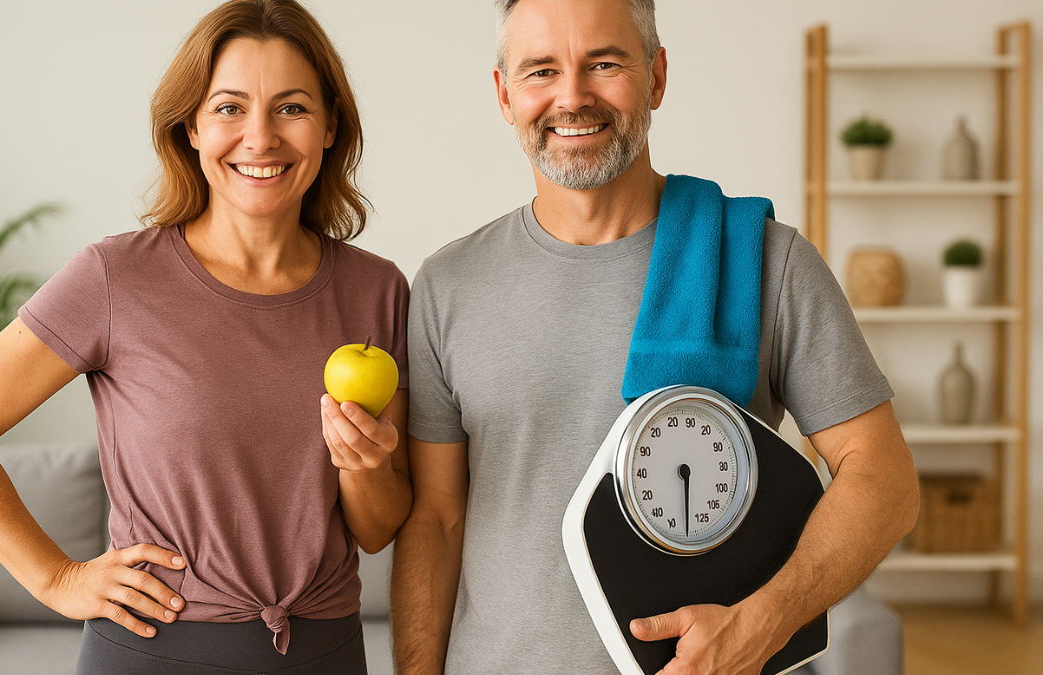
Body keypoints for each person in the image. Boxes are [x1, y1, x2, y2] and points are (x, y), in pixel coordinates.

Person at [389, 0, 919, 674]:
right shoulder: (446, 284)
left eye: (603, 64)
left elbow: (886, 479)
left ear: (657, 75)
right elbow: (436, 518)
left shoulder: (763, 261)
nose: (572, 97)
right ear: (504, 95)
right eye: (541, 70)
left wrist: (761, 622)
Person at [0, 1, 410, 673]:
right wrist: (56, 579)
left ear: (328, 128)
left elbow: (378, 530)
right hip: (151, 654)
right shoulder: (115, 277)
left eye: (291, 108)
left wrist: (364, 463)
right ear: (191, 129)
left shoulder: (377, 291)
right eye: (229, 108)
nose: (260, 138)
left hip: (326, 652)